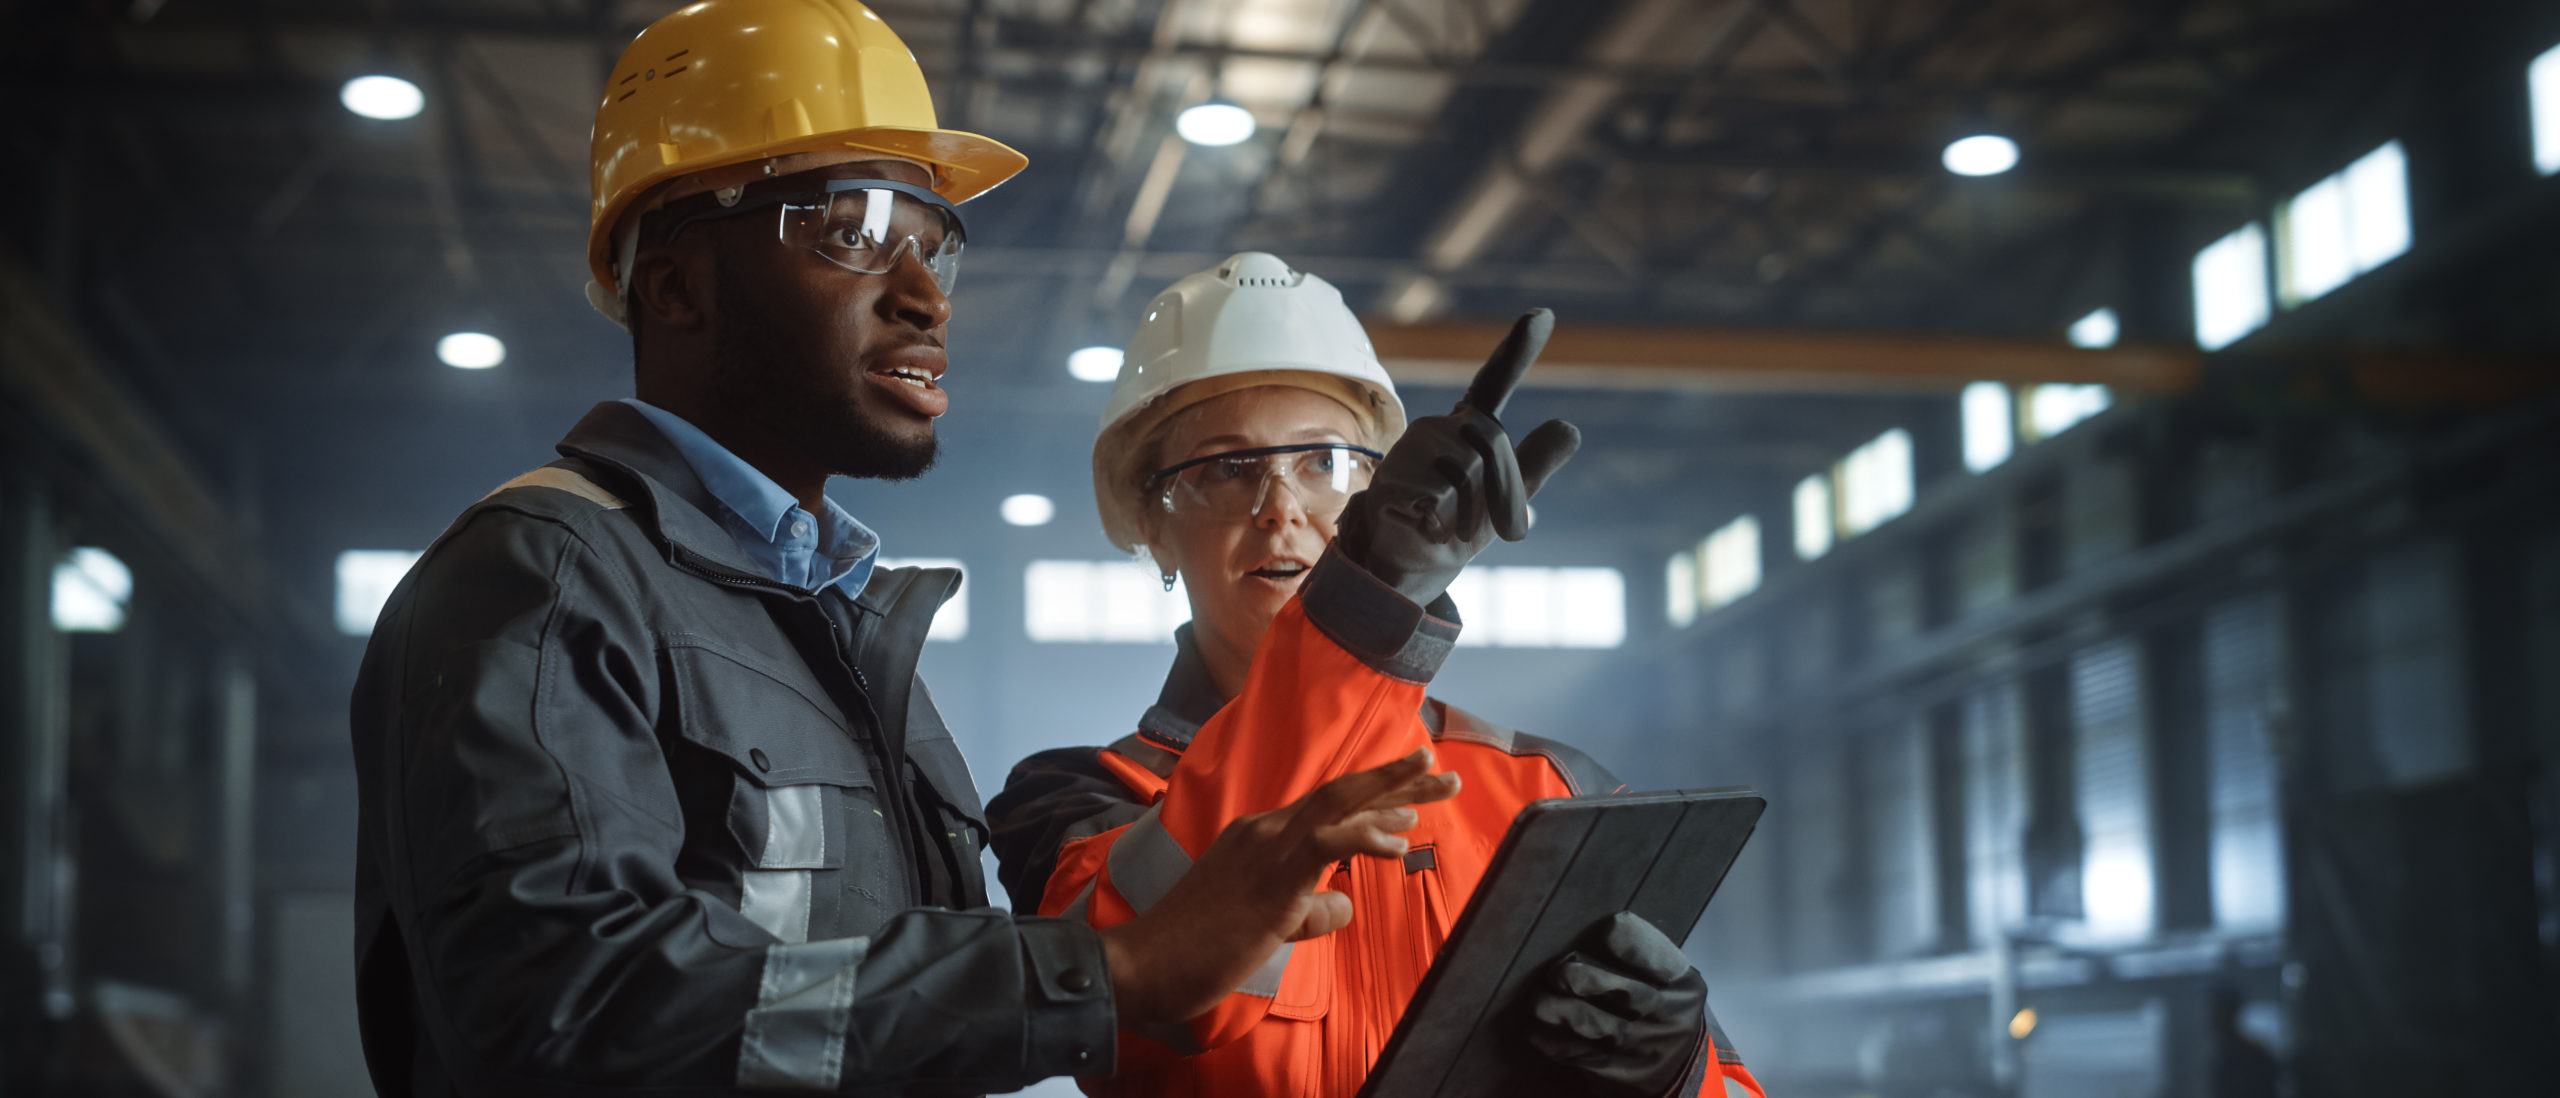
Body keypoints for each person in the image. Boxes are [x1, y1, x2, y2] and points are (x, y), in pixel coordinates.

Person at [347, 6, 1458, 1094]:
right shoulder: (550, 577)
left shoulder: (835, 634)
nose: (926, 298)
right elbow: (564, 1009)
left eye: (933, 246)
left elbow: (874, 1026)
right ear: (675, 285)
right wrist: (1107, 972)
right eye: (854, 232)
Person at [988, 253, 1765, 1097]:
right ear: (1152, 526)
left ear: (1378, 485)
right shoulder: (1075, 800)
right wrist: (1370, 605)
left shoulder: (1552, 789)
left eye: (1324, 461)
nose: (1281, 507)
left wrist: (1674, 1073)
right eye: (1226, 467)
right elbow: (1142, 1000)